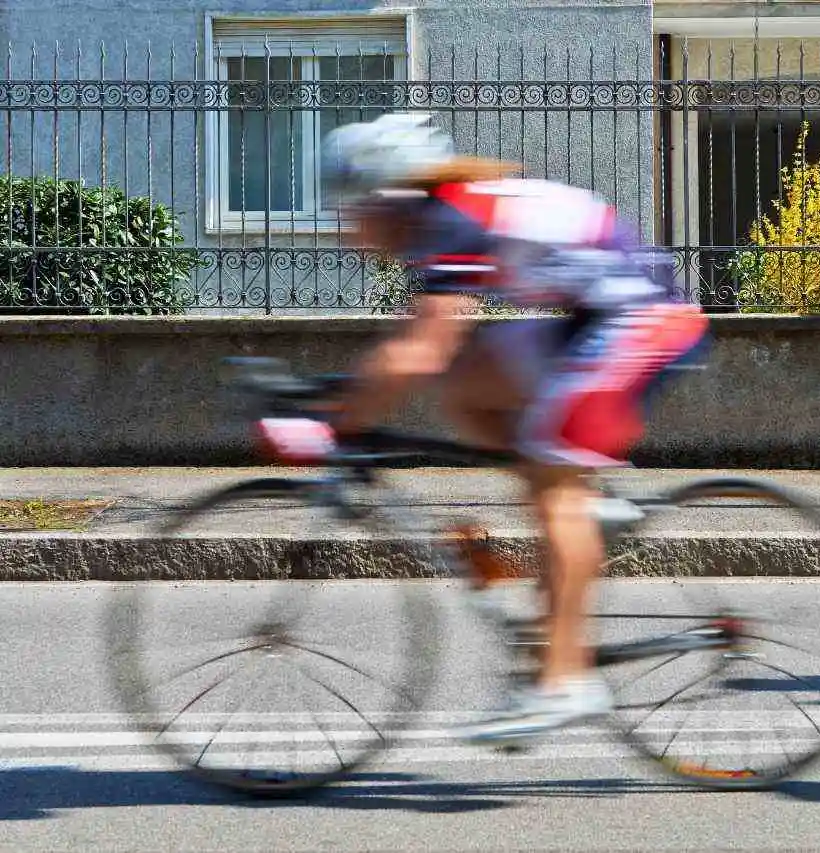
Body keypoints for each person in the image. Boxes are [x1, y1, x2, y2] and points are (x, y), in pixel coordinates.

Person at [293, 112, 709, 743]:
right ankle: (584, 506)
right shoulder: (435, 223)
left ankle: (563, 684)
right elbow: (426, 353)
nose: (345, 231)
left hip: (644, 321)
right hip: (587, 317)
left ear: (386, 198)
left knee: (551, 474)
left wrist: (333, 423)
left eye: (349, 212)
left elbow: (418, 351)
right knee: (466, 384)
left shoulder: (451, 220)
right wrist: (348, 399)